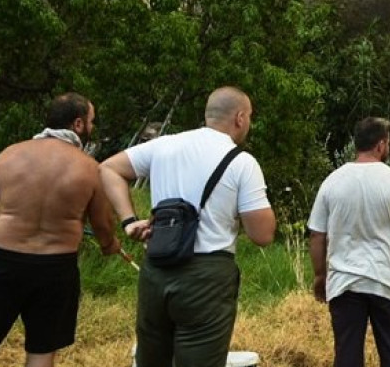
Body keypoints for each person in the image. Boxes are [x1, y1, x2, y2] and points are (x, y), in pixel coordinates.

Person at [100, 86, 276, 367]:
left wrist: (130, 221)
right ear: (240, 117)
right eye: (250, 117)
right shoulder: (242, 162)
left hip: (156, 270)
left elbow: (108, 168)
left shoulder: (164, 145)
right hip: (206, 277)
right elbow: (263, 235)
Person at [0, 92, 121, 367]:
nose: (93, 128)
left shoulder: (9, 155)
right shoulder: (89, 169)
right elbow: (103, 225)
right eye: (92, 121)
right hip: (55, 268)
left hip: (5, 261)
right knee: (41, 350)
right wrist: (110, 245)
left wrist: (5, 224)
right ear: (78, 124)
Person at [308, 117, 390, 367]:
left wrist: (320, 276)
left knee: (347, 356)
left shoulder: (332, 181)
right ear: (381, 144)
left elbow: (317, 235)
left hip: (344, 284)